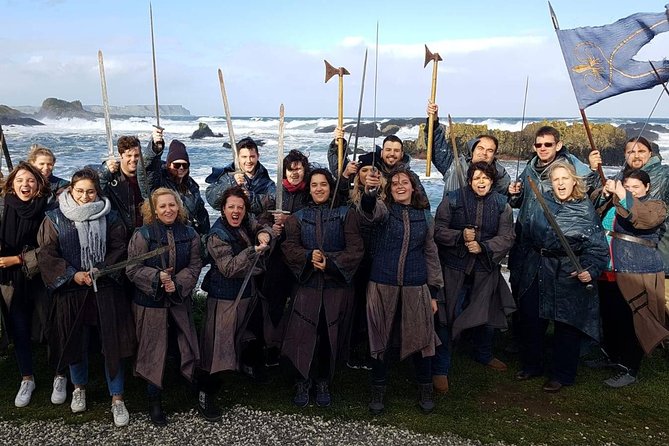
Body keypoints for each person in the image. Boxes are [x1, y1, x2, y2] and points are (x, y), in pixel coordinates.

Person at [37, 167, 135, 426]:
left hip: (105, 290)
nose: (85, 196)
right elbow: (46, 254)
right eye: (79, 191)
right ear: (71, 189)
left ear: (97, 191)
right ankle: (78, 388)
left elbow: (120, 248)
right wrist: (72, 274)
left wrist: (102, 269)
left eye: (90, 191)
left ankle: (117, 397)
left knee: (111, 344)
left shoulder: (111, 216)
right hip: (71, 291)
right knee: (75, 342)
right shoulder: (55, 218)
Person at [513, 160, 608, 392]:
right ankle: (532, 365)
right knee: (531, 318)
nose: (560, 183)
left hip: (568, 270)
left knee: (567, 324)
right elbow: (525, 233)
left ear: (574, 180)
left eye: (565, 178)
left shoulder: (584, 209)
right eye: (556, 179)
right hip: (536, 266)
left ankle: (562, 374)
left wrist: (590, 270)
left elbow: (597, 248)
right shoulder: (540, 202)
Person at [361, 166, 443, 415]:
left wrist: (434, 291)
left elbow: (431, 254)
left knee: (422, 340)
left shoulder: (424, 217)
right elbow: (369, 210)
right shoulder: (384, 211)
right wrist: (370, 191)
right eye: (394, 182)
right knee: (380, 339)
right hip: (381, 283)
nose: (399, 186)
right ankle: (378, 388)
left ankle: (425, 387)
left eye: (404, 182)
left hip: (416, 285)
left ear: (413, 187)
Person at [281, 168, 363, 408]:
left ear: (330, 187)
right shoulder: (298, 217)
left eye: (324, 184)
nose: (319, 189)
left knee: (329, 335)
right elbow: (289, 247)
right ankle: (302, 380)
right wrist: (308, 256)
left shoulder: (345, 214)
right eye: (314, 184)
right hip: (307, 286)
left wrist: (330, 262)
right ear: (309, 188)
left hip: (335, 287)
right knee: (303, 334)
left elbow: (355, 249)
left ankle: (323, 381)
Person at [433, 162, 516, 392]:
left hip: (484, 270)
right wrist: (460, 236)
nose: (481, 181)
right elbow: (437, 229)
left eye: (486, 177)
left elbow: (508, 237)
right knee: (447, 317)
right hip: (454, 270)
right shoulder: (453, 199)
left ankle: (483, 354)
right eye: (477, 177)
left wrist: (485, 247)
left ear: (492, 180)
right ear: (469, 180)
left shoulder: (502, 205)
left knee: (487, 317)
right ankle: (440, 368)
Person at [126, 188, 202, 426]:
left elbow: (195, 264)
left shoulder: (190, 234)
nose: (168, 210)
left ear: (178, 207)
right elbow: (132, 269)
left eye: (172, 205)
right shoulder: (144, 234)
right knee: (152, 350)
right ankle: (154, 399)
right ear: (153, 210)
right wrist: (156, 277)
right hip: (151, 303)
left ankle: (192, 387)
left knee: (186, 343)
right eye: (162, 206)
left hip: (178, 299)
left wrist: (178, 282)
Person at [197, 186, 272, 421]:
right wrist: (253, 250)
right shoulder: (217, 235)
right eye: (231, 207)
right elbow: (228, 268)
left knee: (249, 335)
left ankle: (248, 368)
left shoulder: (245, 221)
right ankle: (204, 392)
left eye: (240, 207)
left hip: (247, 294)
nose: (236, 211)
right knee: (216, 348)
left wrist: (264, 233)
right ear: (222, 209)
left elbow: (260, 224)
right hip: (224, 298)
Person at [590, 170, 669, 387]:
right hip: (609, 269)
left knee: (634, 319)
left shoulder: (656, 206)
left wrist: (624, 195)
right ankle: (611, 356)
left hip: (637, 270)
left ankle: (630, 368)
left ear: (647, 188)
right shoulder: (614, 203)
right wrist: (604, 193)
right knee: (610, 316)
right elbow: (591, 208)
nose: (632, 191)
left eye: (636, 187)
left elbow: (643, 219)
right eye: (628, 187)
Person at [590, 136, 669, 314]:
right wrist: (594, 171)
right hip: (618, 257)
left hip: (658, 251)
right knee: (621, 311)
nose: (636, 155)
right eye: (630, 152)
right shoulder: (620, 176)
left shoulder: (665, 175)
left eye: (641, 151)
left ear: (651, 153)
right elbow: (593, 202)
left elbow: (649, 216)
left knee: (655, 313)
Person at [0, 162, 50, 407]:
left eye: (30, 180)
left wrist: (18, 259)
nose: (25, 184)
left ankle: (61, 375)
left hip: (40, 276)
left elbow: (50, 248)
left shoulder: (47, 208)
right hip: (10, 279)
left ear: (38, 184)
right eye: (19, 179)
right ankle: (26, 377)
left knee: (49, 326)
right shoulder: (3, 206)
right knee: (18, 327)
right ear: (12, 183)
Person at [257, 149, 311, 361]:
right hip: (278, 257)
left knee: (300, 303)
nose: (294, 173)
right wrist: (271, 228)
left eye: (298, 168)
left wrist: (291, 221)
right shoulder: (276, 193)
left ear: (304, 170)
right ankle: (272, 346)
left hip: (301, 254)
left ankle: (297, 346)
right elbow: (261, 220)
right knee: (275, 302)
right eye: (290, 169)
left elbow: (314, 219)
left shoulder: (310, 193)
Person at [344, 152, 386, 370]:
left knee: (375, 306)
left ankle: (376, 348)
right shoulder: (350, 198)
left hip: (380, 258)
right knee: (357, 306)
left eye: (373, 171)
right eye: (364, 171)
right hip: (358, 260)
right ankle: (352, 349)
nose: (369, 174)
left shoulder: (387, 196)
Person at [424, 101, 511, 197]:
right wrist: (434, 120)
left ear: (494, 155)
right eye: (480, 148)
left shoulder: (500, 175)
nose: (484, 153)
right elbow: (437, 147)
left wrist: (515, 193)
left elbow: (511, 200)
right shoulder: (454, 166)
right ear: (472, 149)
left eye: (490, 150)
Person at [328, 129, 427, 203]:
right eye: (388, 150)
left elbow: (423, 202)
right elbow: (338, 169)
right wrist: (337, 145)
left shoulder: (410, 177)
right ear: (382, 152)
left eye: (396, 151)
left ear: (402, 154)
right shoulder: (371, 168)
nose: (392, 154)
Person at [145, 131, 210, 236]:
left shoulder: (192, 186)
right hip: (164, 236)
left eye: (185, 165)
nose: (181, 168)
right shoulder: (159, 182)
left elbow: (202, 216)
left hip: (189, 237)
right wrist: (155, 147)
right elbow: (148, 170)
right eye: (177, 165)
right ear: (168, 165)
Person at [205, 137, 276, 218]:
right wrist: (231, 183)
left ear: (258, 156)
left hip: (257, 226)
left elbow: (274, 203)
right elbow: (213, 201)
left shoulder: (266, 183)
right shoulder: (227, 176)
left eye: (252, 156)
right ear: (237, 157)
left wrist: (251, 197)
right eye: (244, 157)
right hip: (232, 224)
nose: (249, 161)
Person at [95, 135, 146, 241]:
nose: (133, 159)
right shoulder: (111, 178)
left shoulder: (145, 176)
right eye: (129, 155)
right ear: (120, 156)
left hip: (144, 233)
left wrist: (156, 146)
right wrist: (105, 170)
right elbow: (98, 190)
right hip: (120, 234)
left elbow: (155, 164)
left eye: (136, 155)